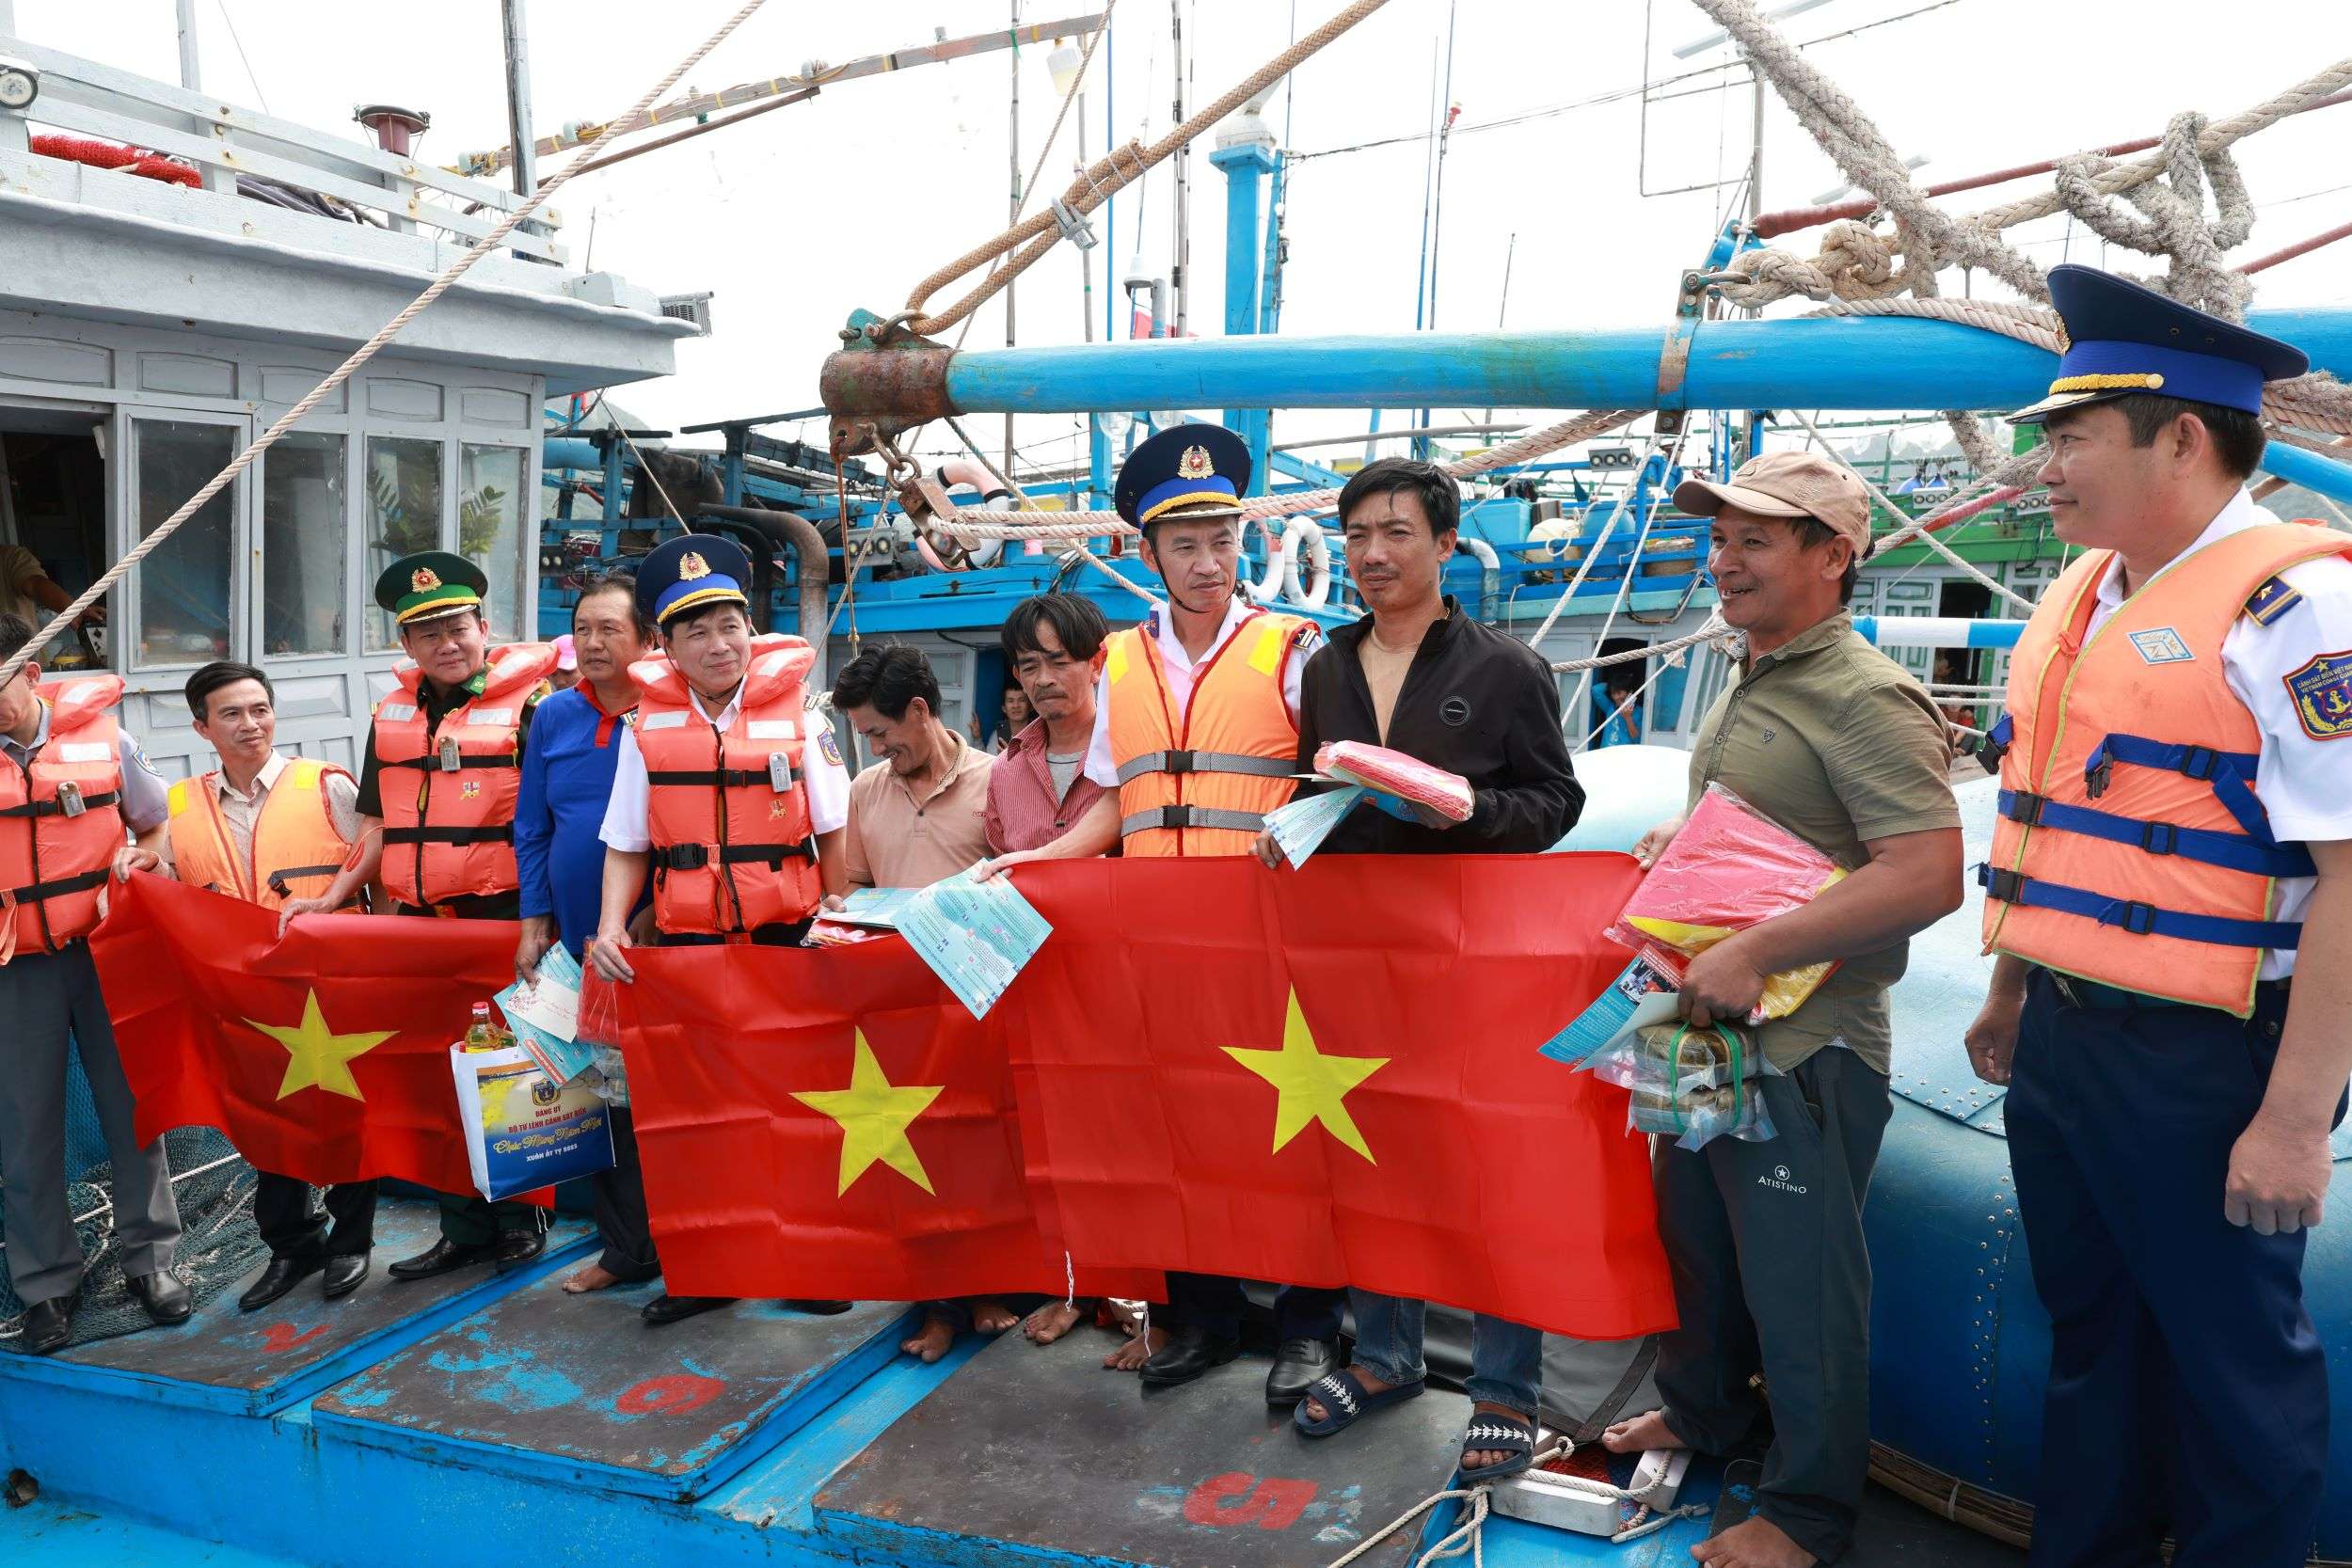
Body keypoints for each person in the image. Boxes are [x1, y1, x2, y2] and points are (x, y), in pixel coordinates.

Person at [1961, 266, 2352, 1568]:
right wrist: (2013, 989)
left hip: (2212, 1056)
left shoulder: (2301, 610)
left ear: (2180, 438)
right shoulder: (2087, 591)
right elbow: (2057, 812)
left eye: (2070, 438)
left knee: (2234, 1369)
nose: (2045, 468)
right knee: (2092, 1337)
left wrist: (2292, 1121)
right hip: (2067, 1038)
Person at [1598, 449, 1964, 1568]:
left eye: (1753, 540)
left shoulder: (1863, 695)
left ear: (1834, 555)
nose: (1723, 561)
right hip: (1706, 1035)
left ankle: (1805, 1513)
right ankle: (1706, 1413)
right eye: (1719, 538)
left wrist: (1756, 946)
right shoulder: (1756, 670)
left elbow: (1925, 873)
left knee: (1801, 1288)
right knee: (1699, 1245)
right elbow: (1793, 828)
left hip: (1807, 1049)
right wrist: (1686, 842)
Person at [1003, 423, 1343, 1401]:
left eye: (1222, 539)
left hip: (1265, 933)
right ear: (1147, 553)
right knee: (1180, 1130)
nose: (1207, 562)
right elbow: (1119, 799)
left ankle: (1309, 1327)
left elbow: (1335, 785)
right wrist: (1039, 860)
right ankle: (1205, 1320)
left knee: (1291, 1130)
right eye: (1185, 544)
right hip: (1155, 937)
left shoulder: (1293, 648)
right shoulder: (1117, 661)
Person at [1268, 457, 1583, 1482]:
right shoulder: (1327, 666)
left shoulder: (1505, 669)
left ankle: (1505, 1388)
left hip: (1469, 956)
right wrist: (1293, 828)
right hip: (1358, 956)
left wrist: (1469, 812)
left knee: (1488, 1162)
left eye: (1396, 532)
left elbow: (1555, 802)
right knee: (1374, 1150)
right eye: (1357, 533)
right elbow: (1318, 784)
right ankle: (1386, 1354)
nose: (1372, 553)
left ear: (1446, 544)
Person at [588, 533, 853, 1328]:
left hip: (786, 941)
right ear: (665, 647)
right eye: (696, 631)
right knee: (700, 1117)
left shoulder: (801, 715)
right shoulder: (644, 728)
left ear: (751, 629)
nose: (717, 644)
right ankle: (709, 1269)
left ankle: (807, 1263)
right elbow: (626, 841)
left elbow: (835, 831)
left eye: (729, 625)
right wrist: (610, 925)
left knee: (796, 1104)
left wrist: (838, 919)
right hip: (691, 950)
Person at [278, 551, 556, 1283]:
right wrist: (333, 897)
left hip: (502, 920)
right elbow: (377, 825)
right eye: (427, 632)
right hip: (422, 927)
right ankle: (462, 1227)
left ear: (484, 627)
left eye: (457, 626)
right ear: (405, 644)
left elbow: (549, 824)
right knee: (439, 1076)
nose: (446, 643)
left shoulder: (533, 707)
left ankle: (521, 1218)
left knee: (510, 1068)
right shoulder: (392, 717)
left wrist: (541, 920)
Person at [162, 660, 374, 1310]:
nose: (250, 724)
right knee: (263, 1118)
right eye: (231, 713)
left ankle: (351, 1240)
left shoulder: (328, 786)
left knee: (343, 1109)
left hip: (328, 981)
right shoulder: (180, 805)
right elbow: (168, 887)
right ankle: (293, 1244)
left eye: (260, 709)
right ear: (202, 727)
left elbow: (379, 859)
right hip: (242, 992)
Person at [0, 610, 185, 1354]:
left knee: (133, 1108)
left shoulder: (110, 742)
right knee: (24, 1128)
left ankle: (153, 1261)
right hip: (17, 965)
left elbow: (156, 825)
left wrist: (149, 855)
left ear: (31, 673)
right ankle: (45, 1284)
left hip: (109, 950)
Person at [820, 641, 1010, 1361]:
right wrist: (839, 916)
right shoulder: (866, 790)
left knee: (982, 1153)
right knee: (914, 1160)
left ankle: (987, 1287)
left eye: (879, 731)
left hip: (977, 1005)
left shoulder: (997, 781)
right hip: (897, 1010)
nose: (875, 747)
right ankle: (936, 1308)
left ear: (921, 710)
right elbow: (855, 887)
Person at [977, 592, 1117, 1346]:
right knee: (1057, 1146)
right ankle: (1075, 1287)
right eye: (1028, 666)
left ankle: (1138, 1300)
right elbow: (998, 867)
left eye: (1059, 661)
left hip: (1123, 984)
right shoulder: (1006, 772)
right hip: (1040, 988)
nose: (1043, 680)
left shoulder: (1135, 751)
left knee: (1131, 1142)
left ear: (1097, 661)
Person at [513, 578, 656, 1297]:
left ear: (648, 639)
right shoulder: (553, 715)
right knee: (606, 1096)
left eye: (610, 629)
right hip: (577, 946)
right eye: (583, 629)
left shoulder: (665, 714)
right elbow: (532, 825)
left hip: (653, 941)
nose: (593, 643)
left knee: (671, 1099)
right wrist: (534, 920)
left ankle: (700, 1249)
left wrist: (649, 916)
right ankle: (627, 1250)